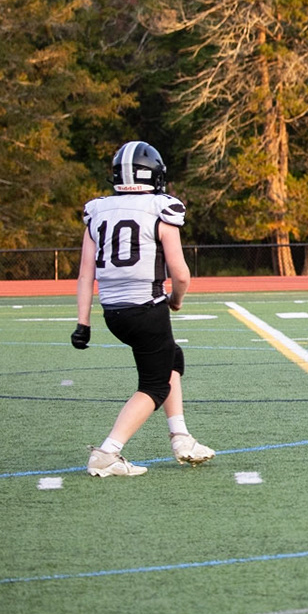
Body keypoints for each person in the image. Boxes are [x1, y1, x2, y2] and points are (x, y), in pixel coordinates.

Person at [75, 141, 216, 477]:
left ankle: (181, 437)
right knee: (154, 386)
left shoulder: (98, 211)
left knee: (172, 358)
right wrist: (176, 300)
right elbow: (181, 274)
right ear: (154, 175)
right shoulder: (160, 209)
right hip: (147, 308)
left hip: (114, 313)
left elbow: (85, 274)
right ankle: (107, 452)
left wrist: (83, 323)